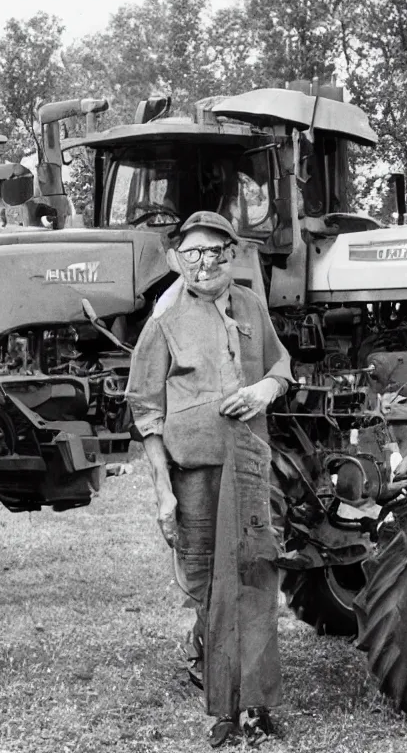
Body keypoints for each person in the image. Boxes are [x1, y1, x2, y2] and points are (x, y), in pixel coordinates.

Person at [125, 211, 293, 747]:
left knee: (255, 579)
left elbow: (280, 366)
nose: (203, 264)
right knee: (205, 587)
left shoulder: (249, 306)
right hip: (195, 476)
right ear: (179, 259)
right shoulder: (165, 319)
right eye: (191, 254)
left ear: (229, 254)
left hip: (248, 466)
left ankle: (258, 708)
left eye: (213, 252)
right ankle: (221, 707)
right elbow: (146, 410)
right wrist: (162, 493)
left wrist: (266, 389)